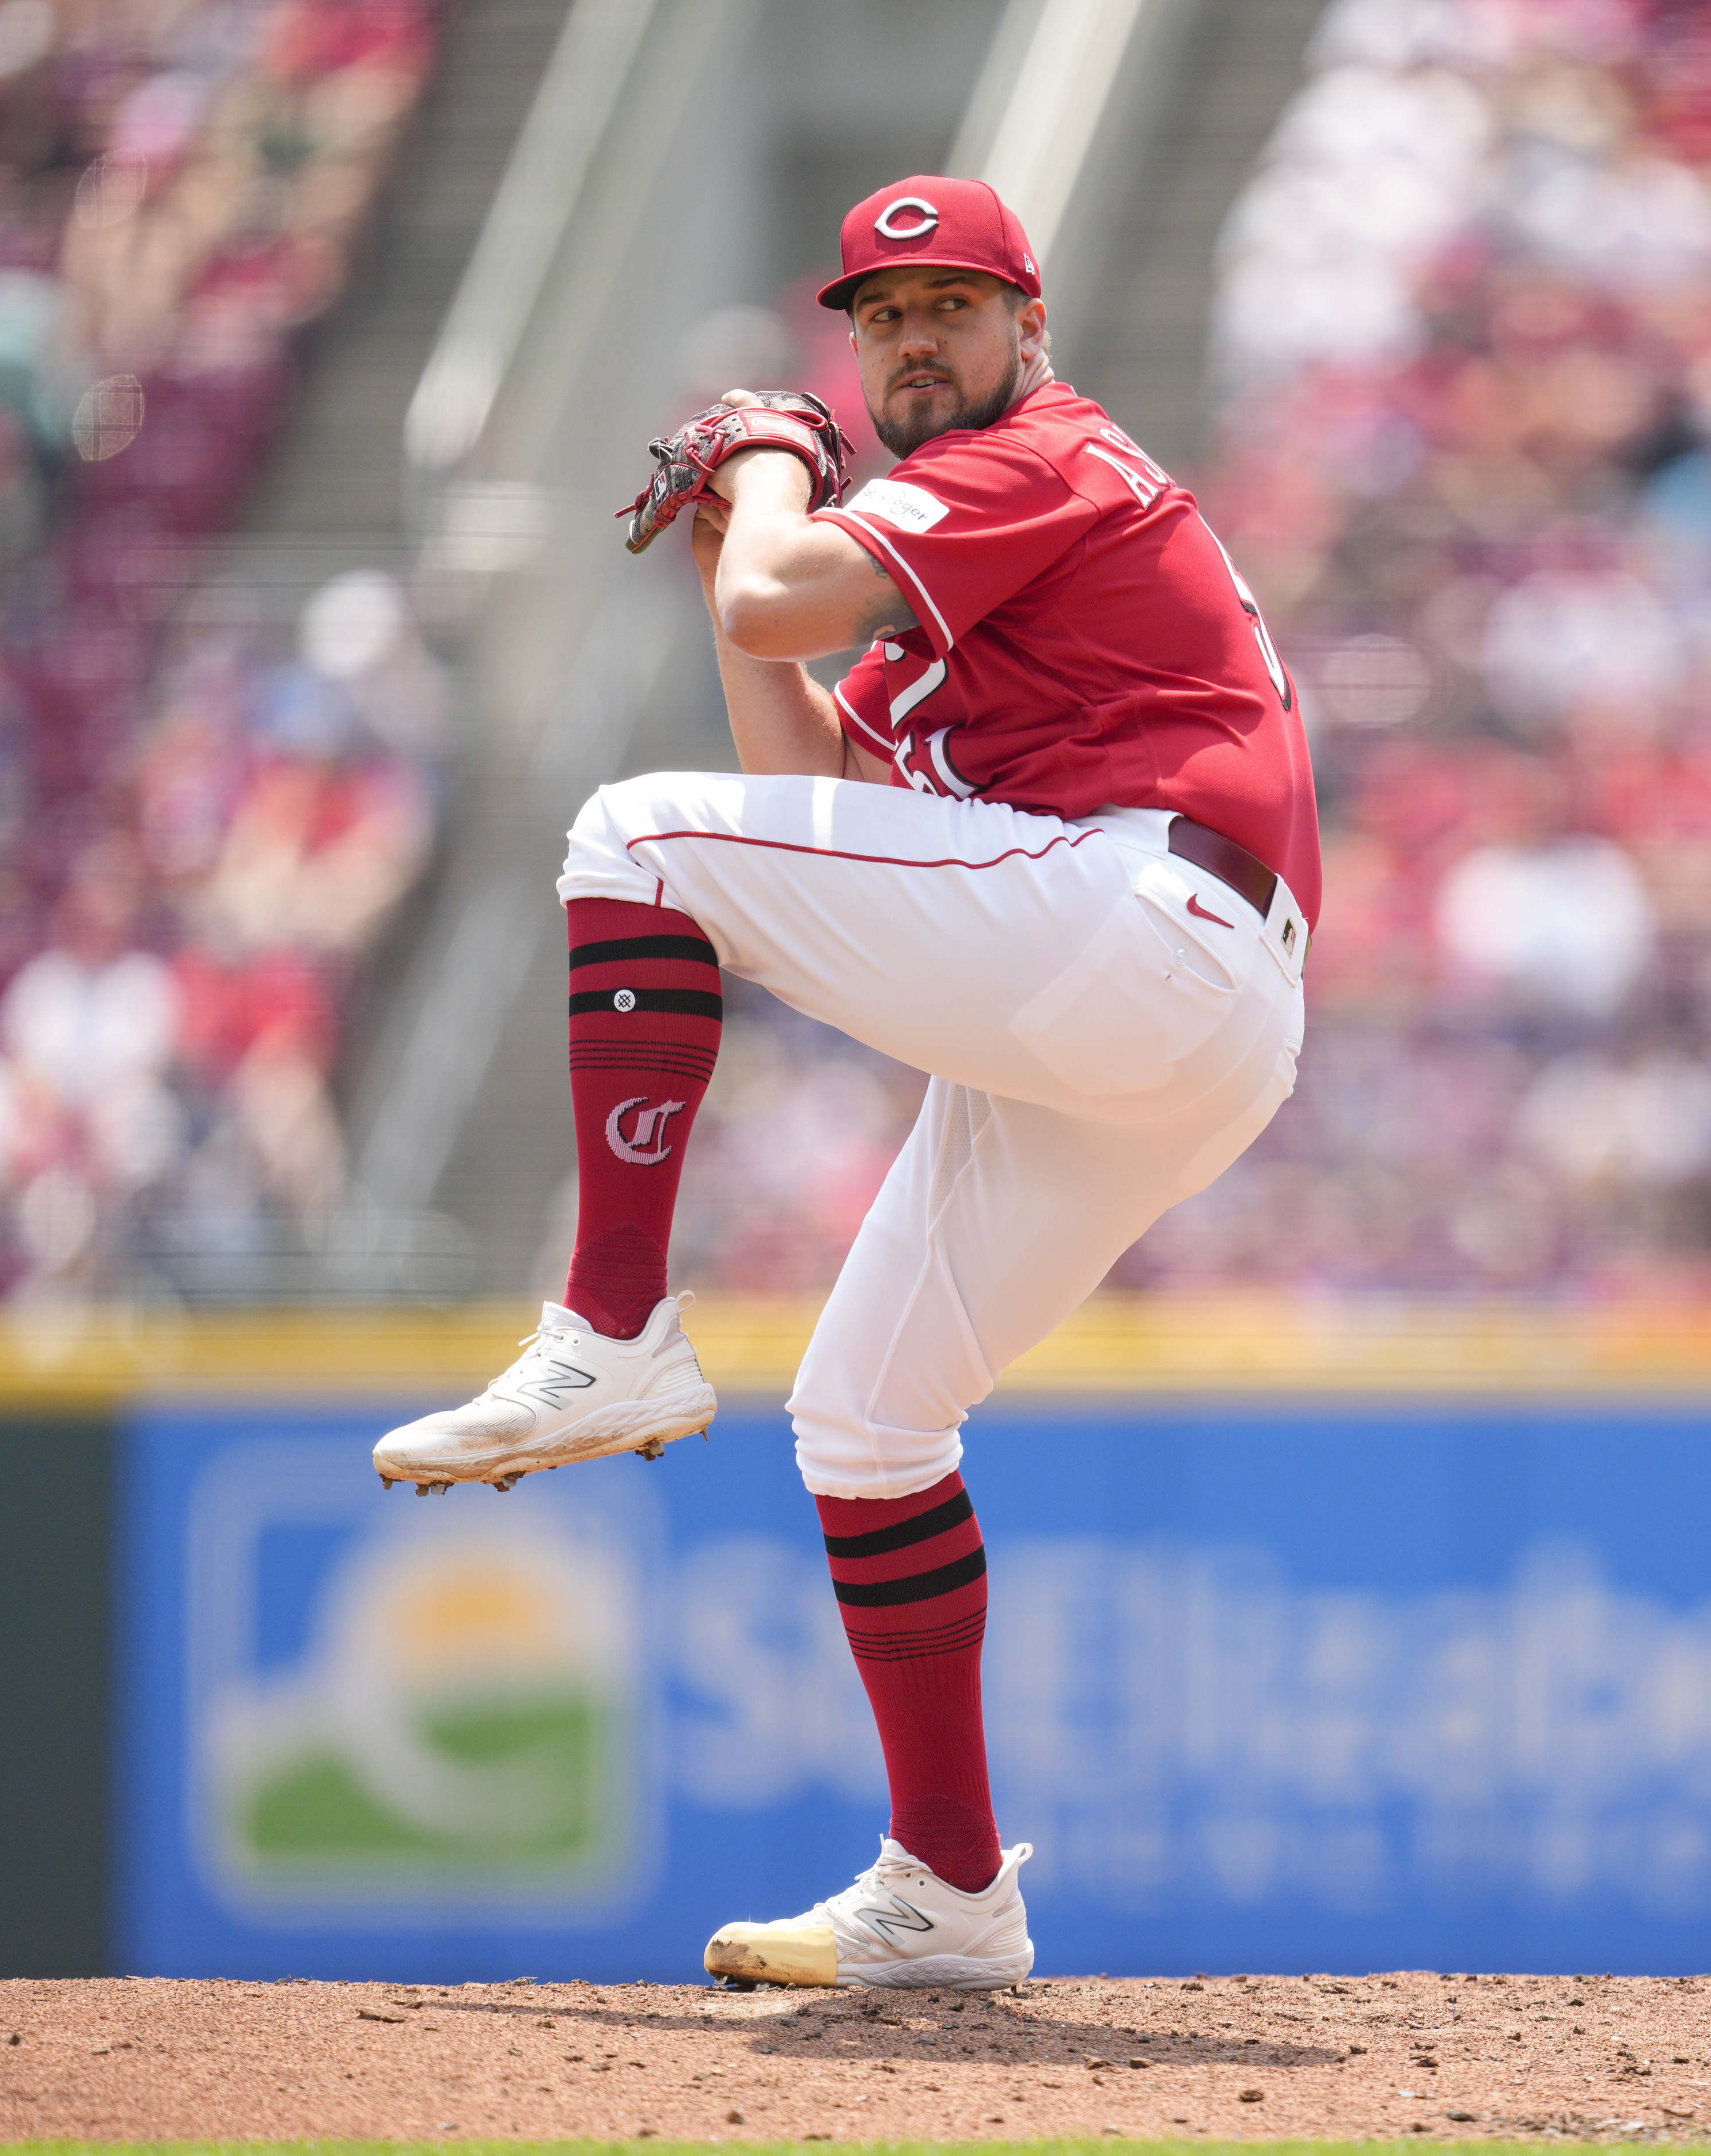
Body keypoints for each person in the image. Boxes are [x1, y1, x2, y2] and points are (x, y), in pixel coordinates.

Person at [370, 176, 1317, 1990]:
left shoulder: (1047, 454)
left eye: (954, 305)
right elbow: (809, 751)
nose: (915, 340)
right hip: (1148, 1004)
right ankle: (952, 1896)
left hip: (1152, 915)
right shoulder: (949, 570)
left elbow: (782, 604)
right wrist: (754, 504)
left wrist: (769, 475)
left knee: (628, 833)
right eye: (882, 317)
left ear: (1028, 328)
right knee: (867, 1420)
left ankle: (612, 1326)